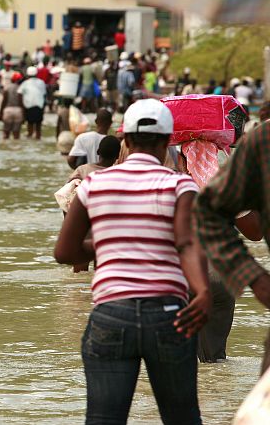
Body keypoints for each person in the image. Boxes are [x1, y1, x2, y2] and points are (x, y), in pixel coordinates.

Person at [54, 98, 210, 425]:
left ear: (125, 141)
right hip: (170, 316)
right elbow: (186, 242)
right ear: (168, 142)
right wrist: (202, 292)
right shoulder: (180, 184)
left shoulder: (94, 184)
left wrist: (111, 242)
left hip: (111, 316)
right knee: (182, 418)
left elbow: (65, 252)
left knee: (103, 419)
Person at [195, 122, 270, 371]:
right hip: (218, 274)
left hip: (174, 273)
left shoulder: (168, 177)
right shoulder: (226, 176)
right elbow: (255, 232)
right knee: (213, 361)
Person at [19, 66, 47, 140]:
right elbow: (44, 95)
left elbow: (19, 94)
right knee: (38, 129)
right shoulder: (42, 82)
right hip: (39, 107)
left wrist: (22, 107)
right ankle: (37, 139)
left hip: (29, 107)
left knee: (30, 127)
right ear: (36, 74)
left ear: (28, 75)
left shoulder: (25, 83)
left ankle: (30, 138)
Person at [0, 73, 23, 140]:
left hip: (8, 110)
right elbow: (22, 102)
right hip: (18, 111)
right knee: (16, 135)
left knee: (6, 133)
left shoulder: (7, 87)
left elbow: (4, 101)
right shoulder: (21, 88)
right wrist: (24, 114)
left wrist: (0, 112)